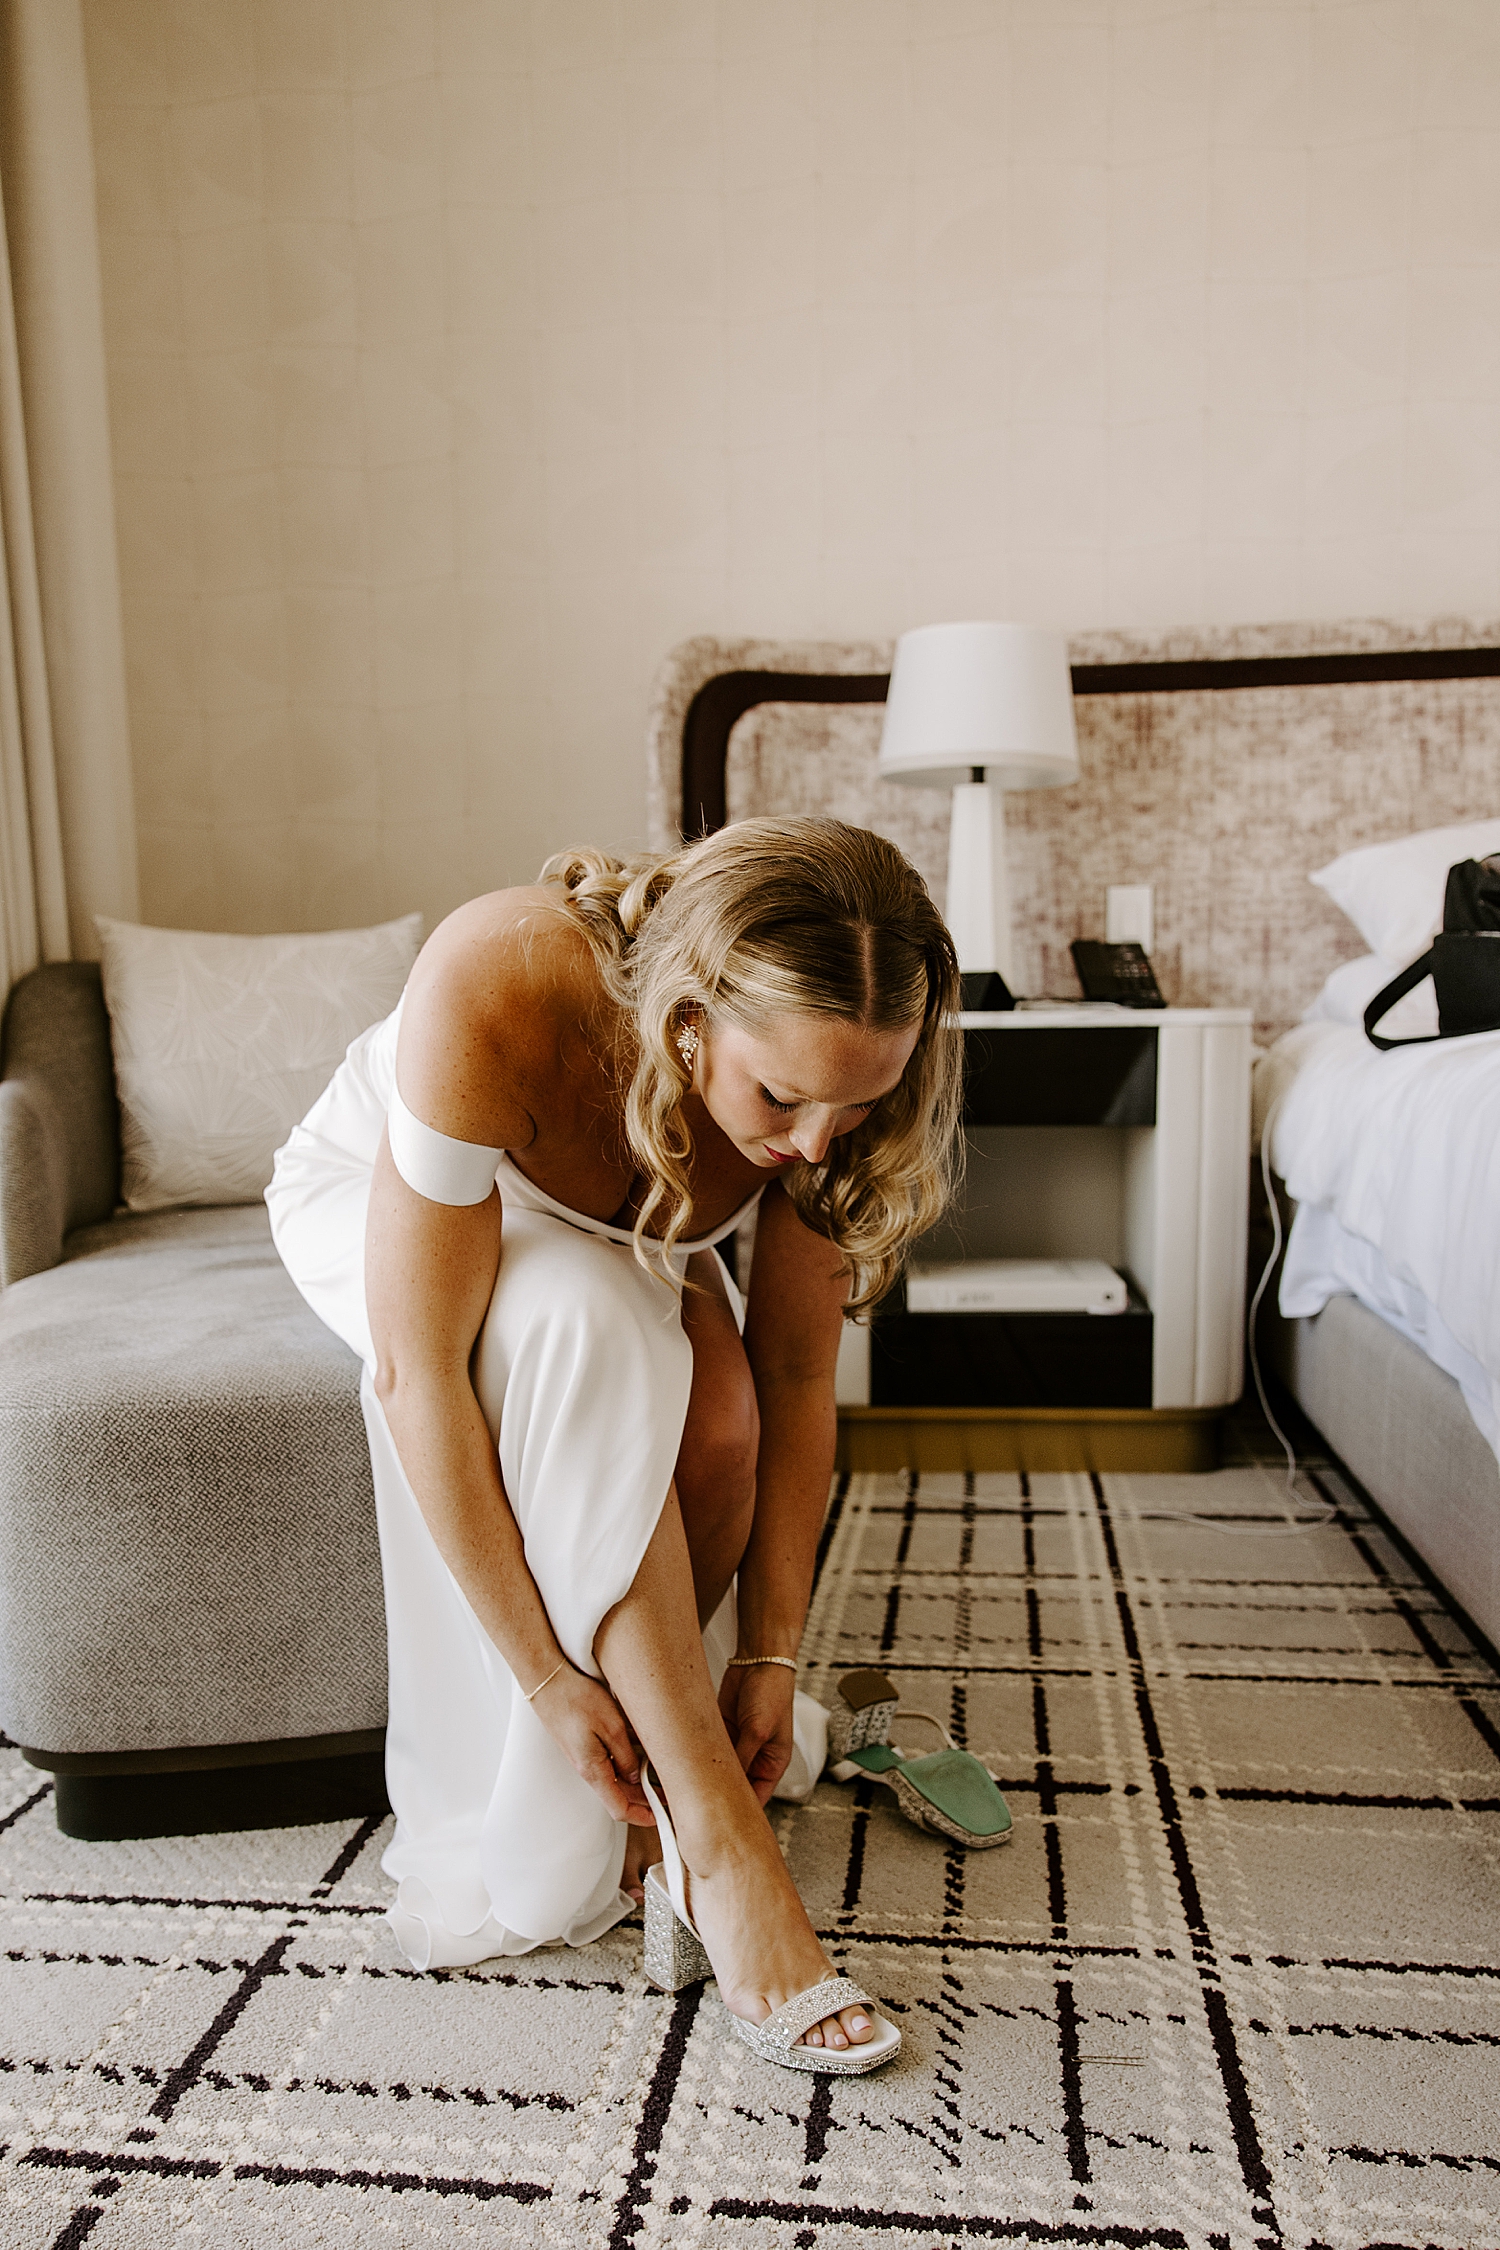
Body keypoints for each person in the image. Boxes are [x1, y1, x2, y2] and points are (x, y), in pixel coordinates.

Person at [267, 816, 961, 2068]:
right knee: (589, 1328)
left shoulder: (827, 1097)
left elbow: (799, 1373)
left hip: (636, 1201)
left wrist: (773, 1650)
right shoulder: (504, 976)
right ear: (689, 1020)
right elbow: (416, 1372)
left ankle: (675, 1741)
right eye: (784, 1097)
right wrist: (545, 1678)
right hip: (398, 1187)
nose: (814, 1144)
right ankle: (719, 1843)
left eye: (855, 1107)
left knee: (725, 1410)